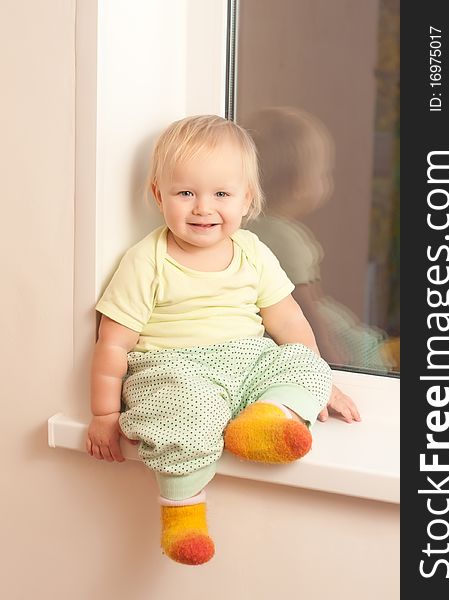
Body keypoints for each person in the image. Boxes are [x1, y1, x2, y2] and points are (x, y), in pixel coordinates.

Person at [86, 115, 360, 566]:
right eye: (186, 193)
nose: (202, 208)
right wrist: (103, 413)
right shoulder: (146, 261)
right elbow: (113, 343)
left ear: (246, 200)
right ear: (160, 196)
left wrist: (323, 382)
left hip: (248, 362)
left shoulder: (253, 251)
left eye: (221, 194)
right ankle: (183, 514)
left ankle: (267, 419)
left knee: (304, 362)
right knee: (177, 418)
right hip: (176, 369)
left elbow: (289, 322)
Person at [243, 106, 397, 373]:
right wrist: (326, 350)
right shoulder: (287, 239)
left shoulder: (249, 227)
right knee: (365, 350)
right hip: (306, 325)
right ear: (299, 185)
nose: (327, 179)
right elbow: (305, 302)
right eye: (324, 172)